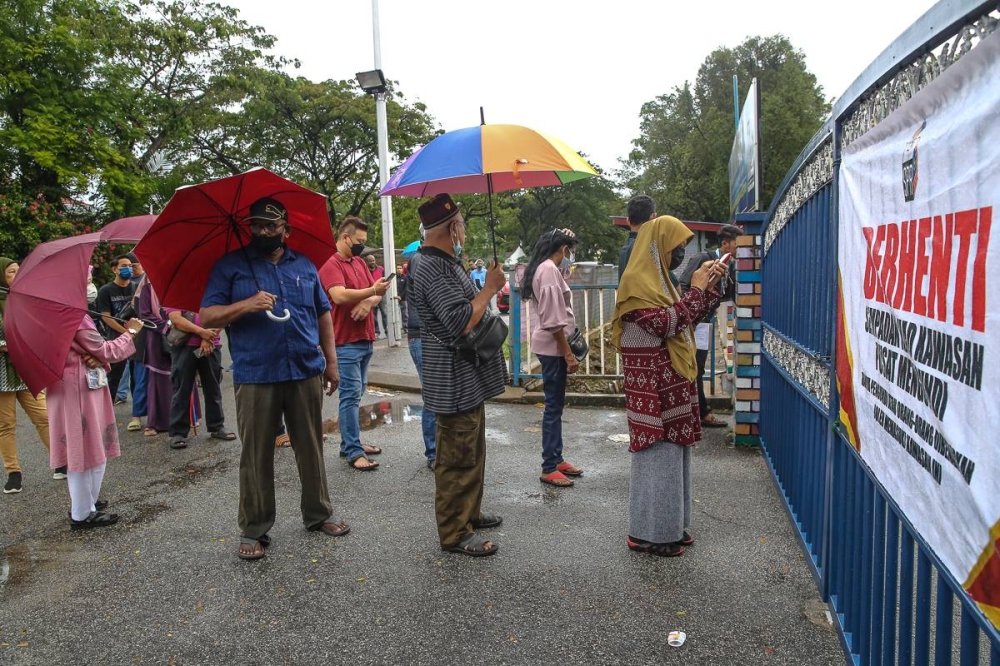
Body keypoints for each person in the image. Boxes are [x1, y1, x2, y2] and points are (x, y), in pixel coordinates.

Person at [200, 196, 346, 561]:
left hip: (304, 369)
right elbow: (207, 316)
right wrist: (245, 305)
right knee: (256, 453)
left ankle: (318, 513)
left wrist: (331, 363)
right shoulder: (231, 266)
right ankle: (254, 527)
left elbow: (323, 314)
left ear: (287, 229)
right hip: (256, 374)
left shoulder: (307, 266)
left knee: (310, 446)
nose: (263, 232)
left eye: (271, 227)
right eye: (257, 226)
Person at [612, 215, 726, 558]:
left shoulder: (665, 283)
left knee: (674, 458)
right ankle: (648, 534)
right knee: (657, 460)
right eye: (675, 247)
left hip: (671, 385)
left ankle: (671, 527)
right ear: (657, 246)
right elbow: (666, 323)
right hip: (651, 390)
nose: (679, 253)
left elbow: (686, 317)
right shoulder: (637, 283)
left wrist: (708, 289)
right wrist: (694, 291)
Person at [409, 193, 506, 558]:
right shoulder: (431, 265)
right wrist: (489, 289)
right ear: (452, 227)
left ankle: (469, 513)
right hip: (452, 377)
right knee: (457, 456)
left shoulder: (445, 260)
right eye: (461, 223)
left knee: (472, 448)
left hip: (465, 376)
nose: (464, 228)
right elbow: (458, 320)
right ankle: (454, 532)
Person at [48, 309, 144, 529]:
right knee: (85, 449)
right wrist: (130, 331)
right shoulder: (72, 314)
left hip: (63, 384)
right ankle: (82, 512)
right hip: (79, 388)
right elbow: (104, 349)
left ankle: (85, 502)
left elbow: (93, 351)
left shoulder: (46, 314)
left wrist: (97, 355)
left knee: (82, 446)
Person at [319, 217, 390, 471]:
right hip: (344, 341)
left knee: (357, 393)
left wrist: (370, 299)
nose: (362, 246)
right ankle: (353, 450)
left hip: (364, 339)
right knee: (349, 396)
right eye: (359, 241)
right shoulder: (331, 263)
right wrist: (371, 292)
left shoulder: (359, 262)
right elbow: (338, 295)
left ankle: (351, 441)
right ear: (345, 237)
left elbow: (375, 293)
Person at [519, 230, 586, 488]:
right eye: (571, 249)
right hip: (553, 348)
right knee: (552, 408)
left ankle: (556, 459)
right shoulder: (547, 271)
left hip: (553, 346)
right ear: (563, 248)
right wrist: (568, 354)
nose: (572, 255)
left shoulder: (549, 269)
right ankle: (549, 466)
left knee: (556, 407)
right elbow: (554, 321)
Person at [1, 258, 55, 494]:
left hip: (24, 367)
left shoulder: (23, 299)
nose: (17, 275)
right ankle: (13, 472)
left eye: (18, 271)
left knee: (44, 416)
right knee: (5, 424)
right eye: (12, 272)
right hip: (2, 372)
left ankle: (61, 460)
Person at [678, 224, 741, 429]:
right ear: (724, 244)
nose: (740, 250)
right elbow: (685, 286)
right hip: (691, 323)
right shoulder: (702, 260)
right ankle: (699, 413)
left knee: (698, 367)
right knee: (691, 367)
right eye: (737, 245)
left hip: (704, 324)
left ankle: (697, 411)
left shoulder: (730, 266)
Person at [163, 307, 234, 449]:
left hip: (212, 344)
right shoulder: (178, 291)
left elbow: (224, 315)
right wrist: (202, 332)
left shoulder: (212, 289)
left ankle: (216, 425)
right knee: (182, 388)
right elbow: (176, 319)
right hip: (184, 345)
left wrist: (208, 337)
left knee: (213, 387)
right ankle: (177, 432)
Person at [403, 225, 437, 469]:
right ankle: (433, 452)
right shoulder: (420, 259)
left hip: (431, 336)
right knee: (433, 396)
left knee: (437, 394)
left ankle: (440, 448)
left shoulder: (432, 259)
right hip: (422, 336)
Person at [95, 255, 136, 403]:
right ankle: (107, 410)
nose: (128, 269)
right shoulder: (105, 290)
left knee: (137, 377)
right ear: (114, 269)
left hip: (136, 338)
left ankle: (136, 415)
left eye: (130, 266)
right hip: (116, 339)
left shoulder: (135, 288)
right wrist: (128, 333)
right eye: (124, 266)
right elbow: (106, 317)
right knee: (114, 377)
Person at [135, 276, 172, 436]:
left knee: (183, 376)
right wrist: (168, 325)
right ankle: (156, 423)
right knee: (158, 380)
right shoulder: (147, 289)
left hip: (182, 335)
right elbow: (145, 315)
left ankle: (185, 418)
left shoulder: (175, 285)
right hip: (157, 339)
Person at [123, 253, 149, 432]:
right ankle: (136, 416)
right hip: (140, 339)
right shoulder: (139, 288)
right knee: (140, 378)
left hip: (160, 338)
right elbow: (131, 313)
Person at [618, 195, 656, 282]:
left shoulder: (624, 249)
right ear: (653, 217)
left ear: (628, 221)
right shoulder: (649, 248)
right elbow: (676, 287)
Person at [365, 254, 388, 339]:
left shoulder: (381, 269)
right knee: (373, 315)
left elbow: (385, 279)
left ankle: (387, 330)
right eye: (370, 261)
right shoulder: (365, 270)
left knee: (384, 313)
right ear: (366, 262)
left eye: (373, 260)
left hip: (381, 294)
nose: (372, 262)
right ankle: (376, 332)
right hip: (371, 294)